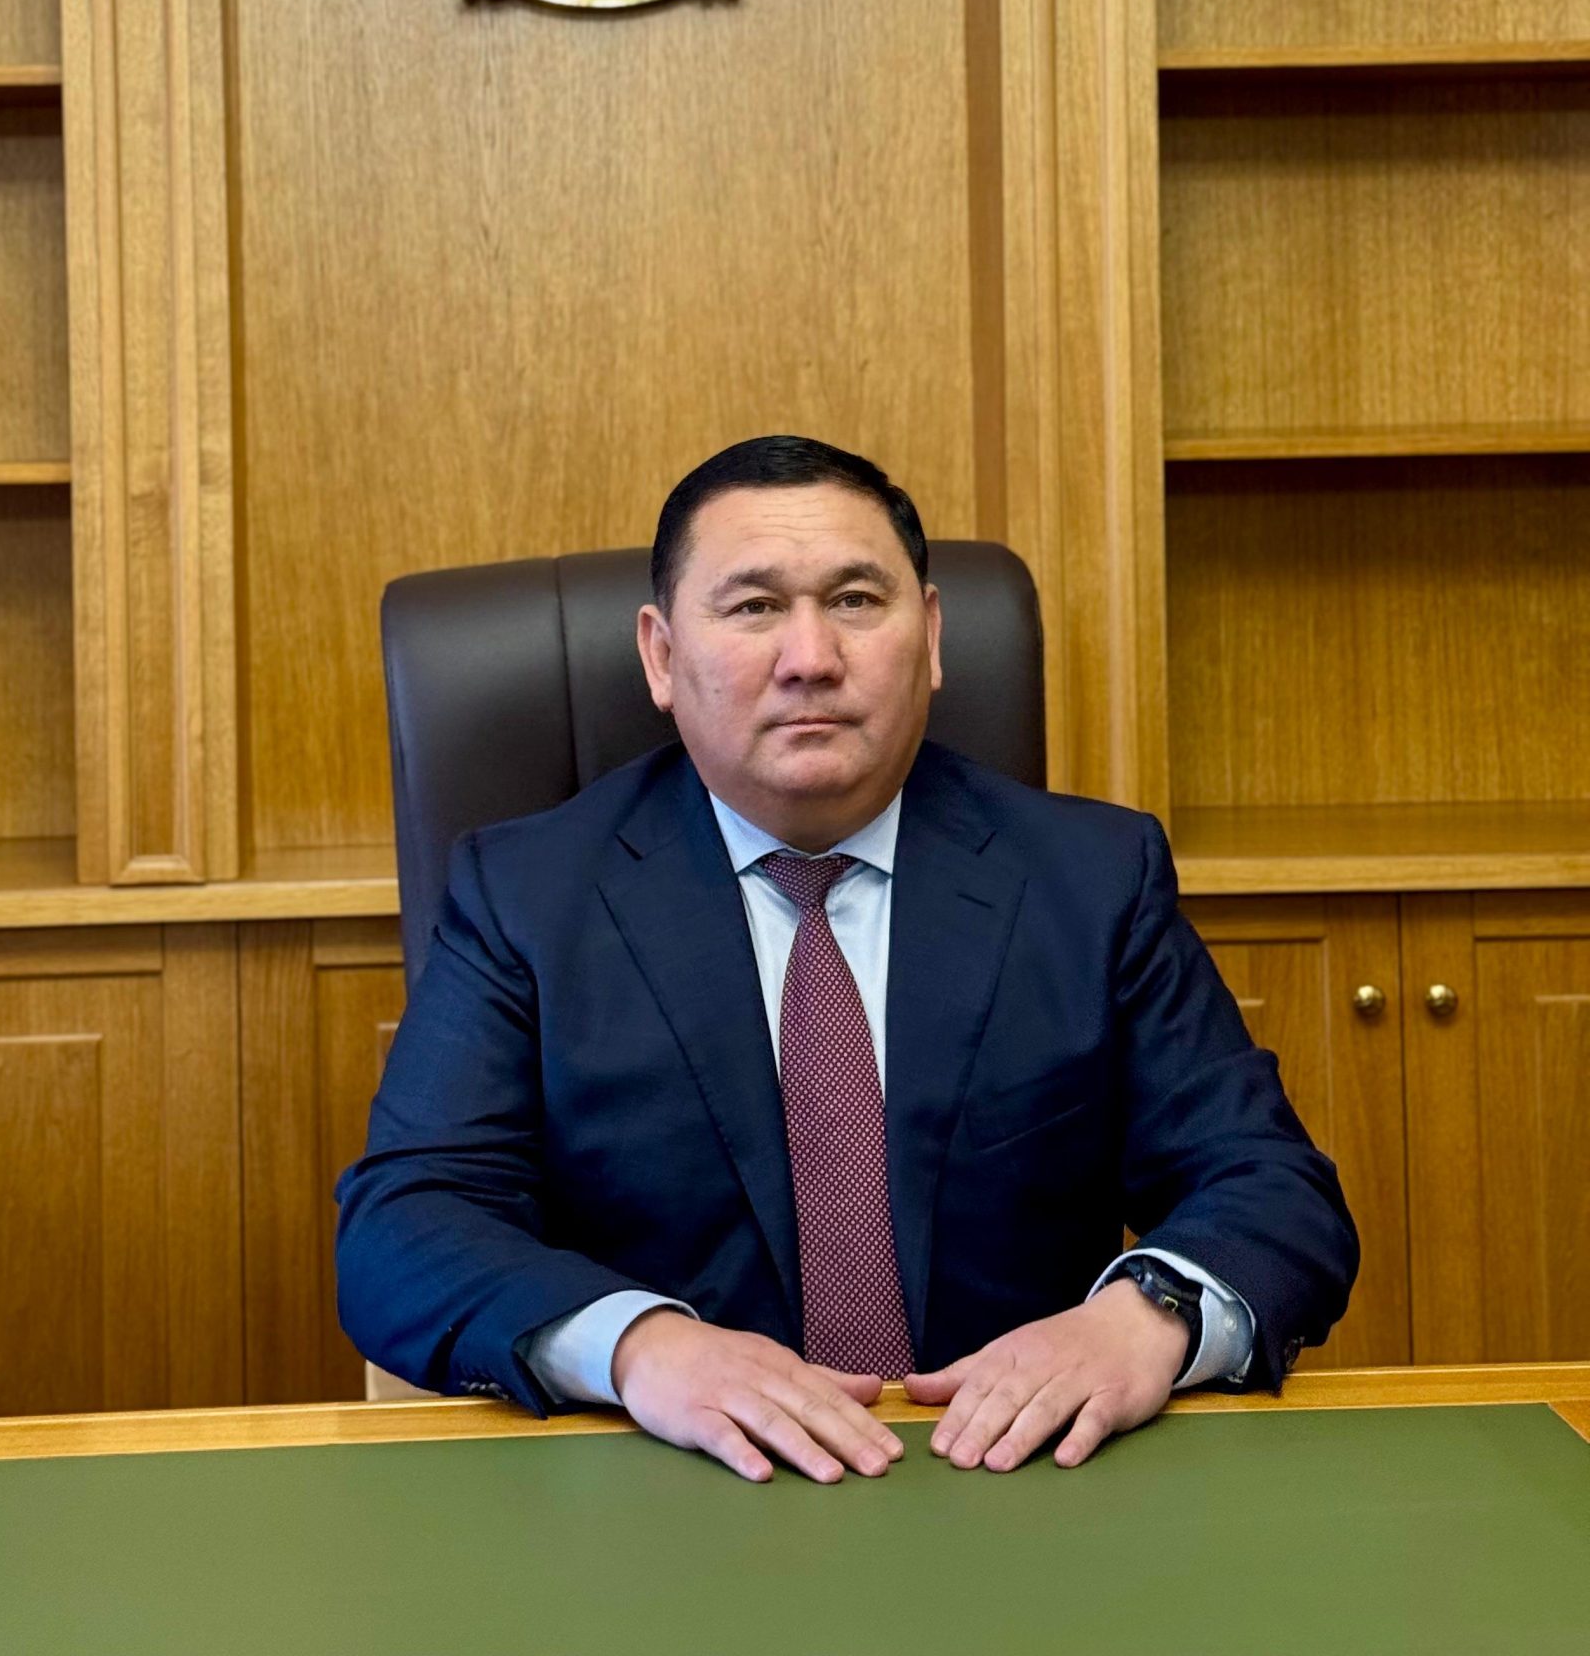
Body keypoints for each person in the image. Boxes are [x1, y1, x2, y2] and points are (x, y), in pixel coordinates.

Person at [337, 436, 1357, 1483]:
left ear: (932, 638)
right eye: (753, 607)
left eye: (857, 600)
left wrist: (1145, 1319)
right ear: (661, 656)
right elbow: (404, 1228)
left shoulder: (1092, 880)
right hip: (668, 1483)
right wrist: (642, 1347)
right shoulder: (526, 895)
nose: (811, 657)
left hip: (1012, 1477)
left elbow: (1273, 1189)